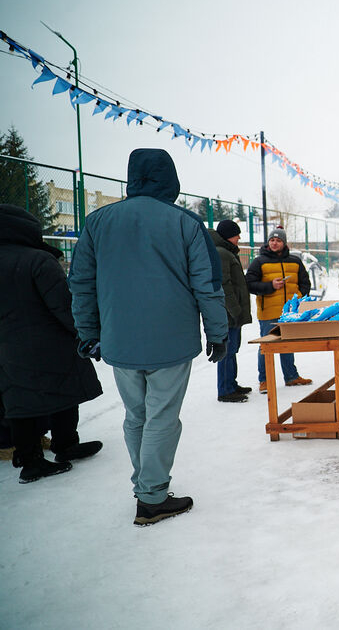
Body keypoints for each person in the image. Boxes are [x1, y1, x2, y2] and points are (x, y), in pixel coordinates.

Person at [68, 148, 228, 526]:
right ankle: (152, 497)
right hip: (170, 341)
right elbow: (208, 285)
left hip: (119, 340)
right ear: (171, 179)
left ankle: (147, 487)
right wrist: (218, 332)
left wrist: (89, 332)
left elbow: (81, 284)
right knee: (162, 417)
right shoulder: (186, 223)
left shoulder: (97, 222)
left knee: (136, 415)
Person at [0, 204, 103, 483]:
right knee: (65, 389)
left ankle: (27, 453)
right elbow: (64, 305)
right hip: (50, 342)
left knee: (18, 398)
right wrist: (85, 333)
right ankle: (62, 445)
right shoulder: (38, 260)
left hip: (7, 346)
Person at [245, 227, 312, 393]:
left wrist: (297, 296)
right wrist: (270, 286)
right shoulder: (259, 261)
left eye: (278, 240)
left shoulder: (295, 261)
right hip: (268, 312)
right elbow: (249, 284)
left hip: (290, 312)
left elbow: (305, 283)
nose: (275, 243)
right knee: (266, 346)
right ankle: (264, 380)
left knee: (288, 344)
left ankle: (291, 377)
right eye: (272, 240)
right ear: (268, 242)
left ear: (284, 243)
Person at [210, 219, 253, 403]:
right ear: (228, 236)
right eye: (236, 234)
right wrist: (235, 310)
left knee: (232, 349)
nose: (239, 238)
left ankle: (231, 383)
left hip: (232, 313)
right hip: (228, 314)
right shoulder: (221, 254)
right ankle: (225, 390)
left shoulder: (227, 252)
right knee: (227, 351)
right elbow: (224, 286)